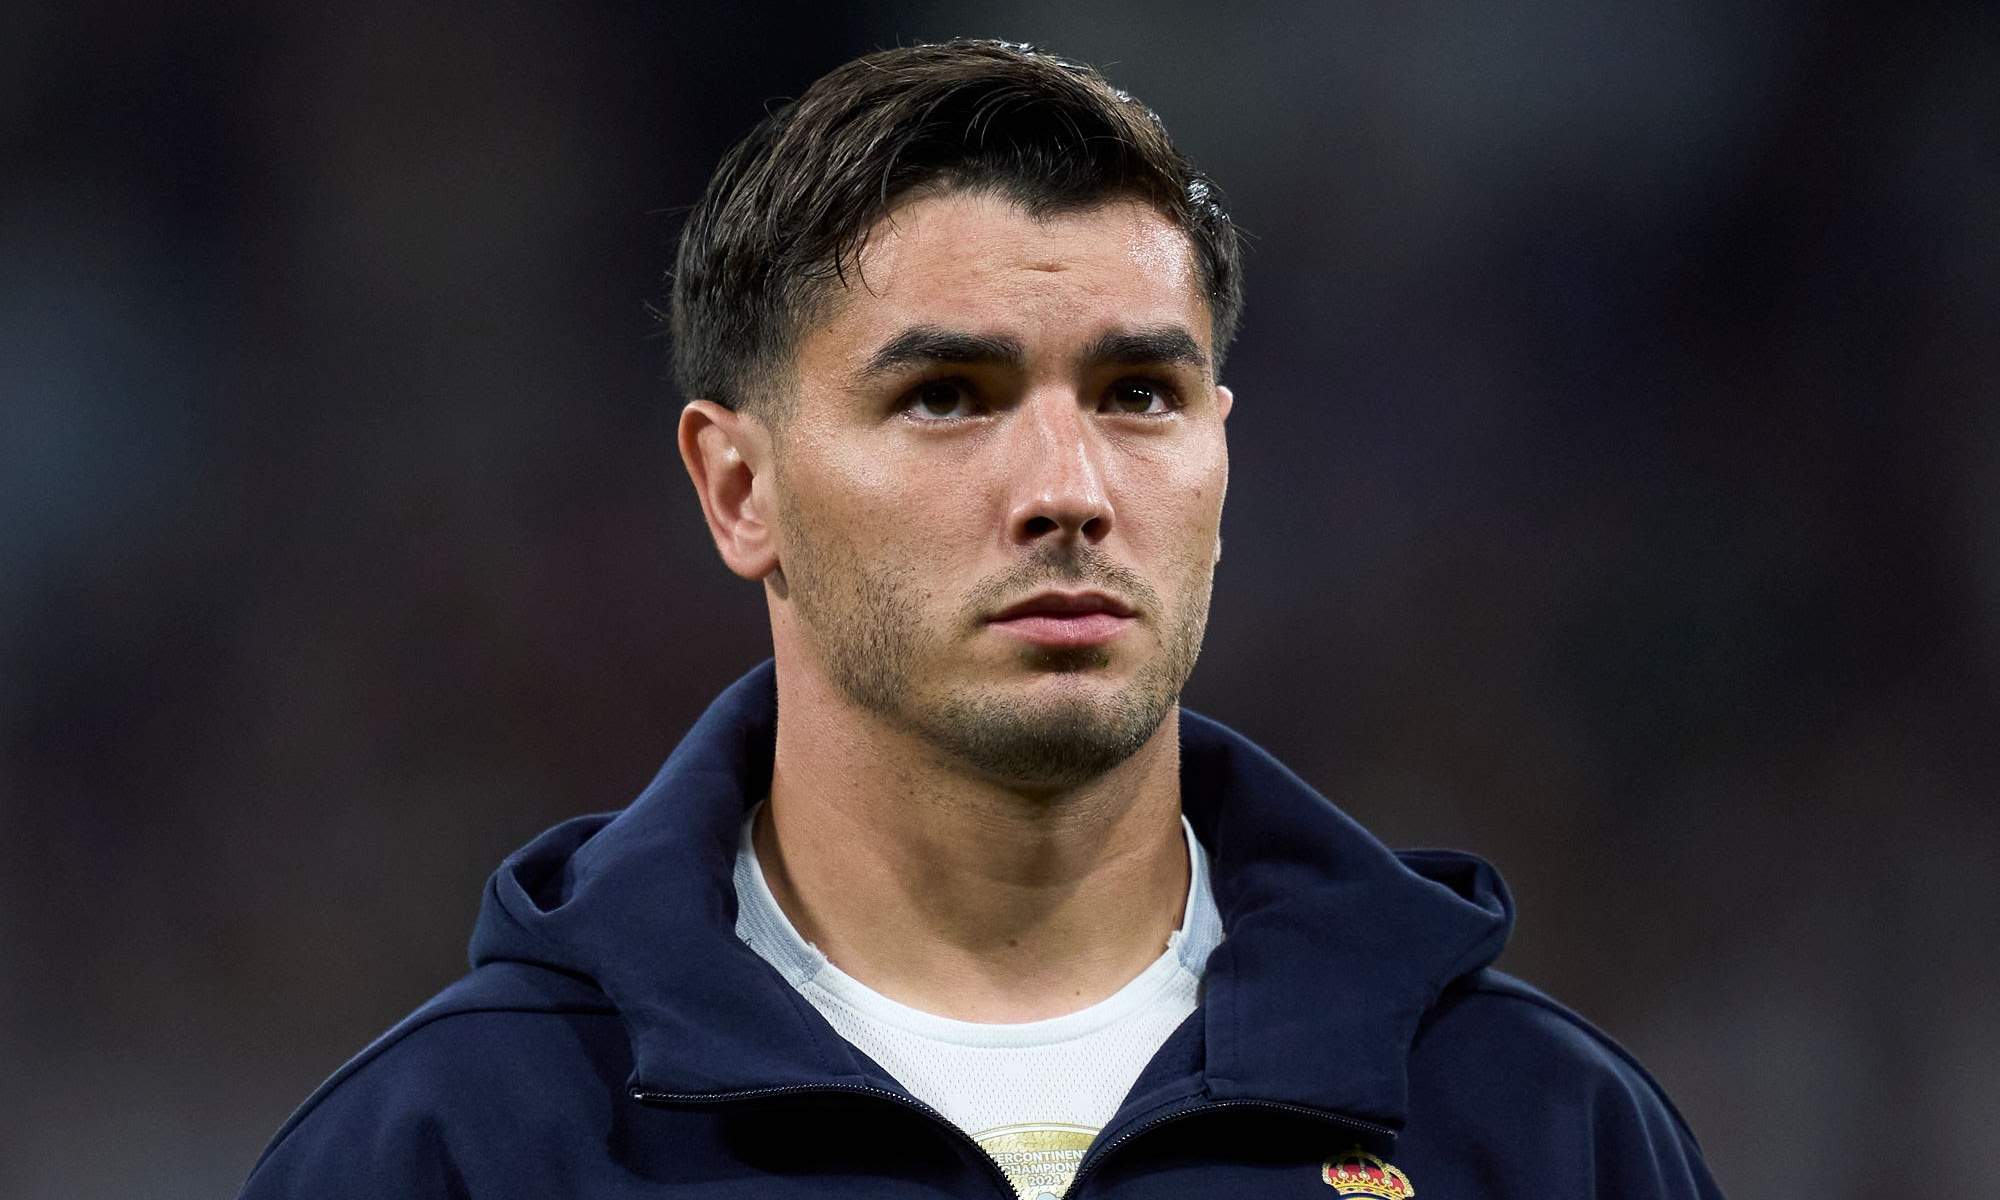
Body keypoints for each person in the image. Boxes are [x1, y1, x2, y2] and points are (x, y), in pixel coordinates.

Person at [241, 39, 1723, 1200]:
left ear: (1221, 453)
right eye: (948, 397)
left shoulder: (1538, 1131)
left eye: (1138, 395)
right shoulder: (453, 1153)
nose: (1068, 490)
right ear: (738, 486)